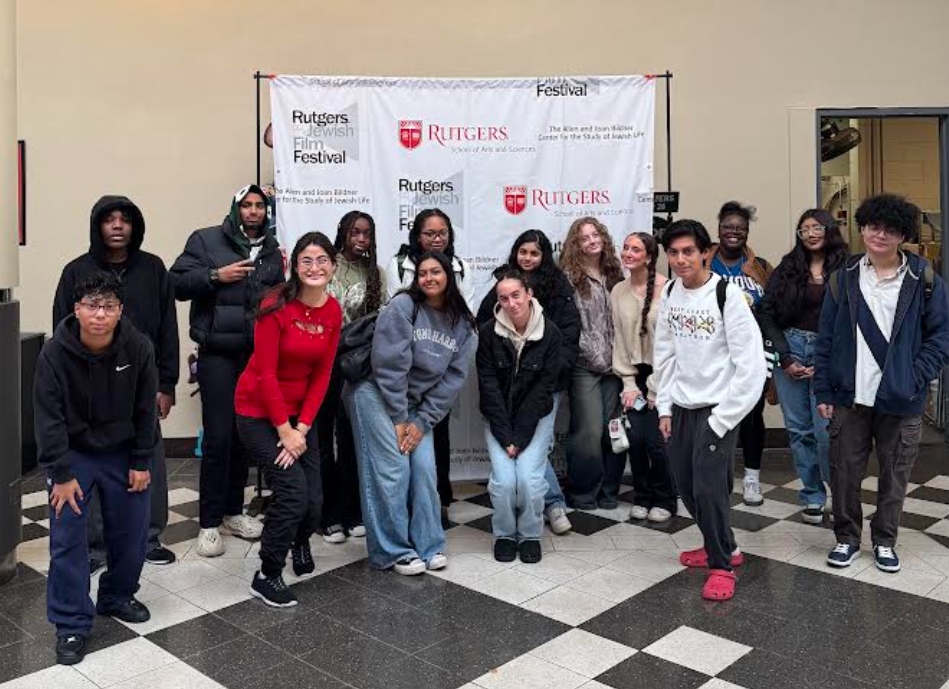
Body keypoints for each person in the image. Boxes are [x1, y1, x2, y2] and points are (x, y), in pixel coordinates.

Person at [815, 194, 949, 573]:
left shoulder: (924, 281)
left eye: (890, 230)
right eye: (874, 227)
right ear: (862, 228)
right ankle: (846, 537)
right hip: (849, 396)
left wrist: (914, 376)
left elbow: (941, 337)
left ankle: (885, 539)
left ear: (902, 235)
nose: (880, 235)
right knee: (844, 472)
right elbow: (825, 338)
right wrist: (824, 390)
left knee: (895, 474)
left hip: (901, 399)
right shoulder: (844, 279)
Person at [35, 273, 157, 665]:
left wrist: (141, 461)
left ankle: (117, 595)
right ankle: (71, 623)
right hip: (72, 455)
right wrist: (62, 474)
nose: (99, 315)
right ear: (76, 308)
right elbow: (48, 418)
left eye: (108, 307)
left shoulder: (138, 347)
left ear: (120, 311)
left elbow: (145, 411)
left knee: (132, 532)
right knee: (69, 537)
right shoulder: (54, 353)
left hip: (122, 451)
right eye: (91, 306)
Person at [52, 196, 178, 569]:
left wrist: (166, 384)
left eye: (125, 219)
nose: (118, 225)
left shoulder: (154, 268)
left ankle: (150, 537)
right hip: (87, 385)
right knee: (89, 463)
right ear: (98, 226)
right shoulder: (76, 271)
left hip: (142, 381)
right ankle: (95, 548)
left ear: (135, 225)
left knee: (147, 457)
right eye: (110, 220)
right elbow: (62, 328)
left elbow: (168, 328)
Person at [170, 184, 285, 556]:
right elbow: (176, 283)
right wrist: (216, 276)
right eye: (247, 206)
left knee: (243, 437)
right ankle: (208, 523)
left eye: (259, 206)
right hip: (218, 354)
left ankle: (233, 512)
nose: (253, 211)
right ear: (236, 209)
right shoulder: (205, 240)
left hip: (256, 358)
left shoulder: (272, 250)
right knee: (218, 437)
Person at [655, 220, 767, 601]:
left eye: (688, 251)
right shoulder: (670, 292)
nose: (681, 259)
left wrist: (723, 419)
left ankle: (721, 564)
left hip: (718, 409)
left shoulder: (726, 294)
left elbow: (751, 364)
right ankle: (722, 544)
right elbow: (665, 355)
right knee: (686, 486)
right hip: (682, 406)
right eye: (673, 253)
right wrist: (665, 407)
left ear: (706, 252)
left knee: (709, 489)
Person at [347, 251, 477, 575]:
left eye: (436, 271)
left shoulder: (464, 326)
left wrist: (420, 422)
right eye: (422, 273)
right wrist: (400, 419)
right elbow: (390, 367)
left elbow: (450, 383)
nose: (429, 278)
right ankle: (391, 551)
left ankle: (429, 545)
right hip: (376, 392)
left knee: (424, 470)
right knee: (393, 469)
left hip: (416, 405)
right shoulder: (404, 306)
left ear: (450, 276)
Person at [235, 232, 342, 607]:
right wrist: (284, 430)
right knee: (293, 493)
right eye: (306, 261)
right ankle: (266, 574)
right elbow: (265, 375)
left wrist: (302, 428)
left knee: (313, 500)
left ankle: (298, 541)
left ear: (333, 266)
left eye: (322, 260)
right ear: (295, 266)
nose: (314, 268)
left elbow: (323, 374)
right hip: (258, 412)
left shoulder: (332, 311)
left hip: (299, 417)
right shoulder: (275, 305)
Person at [476, 230, 579, 535]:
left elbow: (570, 334)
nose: (528, 258)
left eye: (535, 253)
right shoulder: (503, 284)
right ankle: (525, 513)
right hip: (508, 382)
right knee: (520, 454)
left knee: (537, 445)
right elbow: (483, 321)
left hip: (546, 382)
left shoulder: (558, 286)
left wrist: (548, 367)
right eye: (523, 252)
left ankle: (553, 504)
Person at [759, 210, 848, 524]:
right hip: (792, 349)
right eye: (804, 229)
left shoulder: (848, 266)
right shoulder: (788, 267)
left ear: (829, 230)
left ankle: (839, 494)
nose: (810, 233)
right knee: (799, 431)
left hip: (830, 352)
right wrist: (785, 358)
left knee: (828, 433)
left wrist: (828, 362)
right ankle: (812, 495)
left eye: (816, 227)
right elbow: (765, 313)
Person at [386, 209, 474, 517]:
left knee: (438, 429)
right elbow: (394, 310)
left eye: (443, 233)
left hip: (443, 359)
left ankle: (441, 497)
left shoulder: (461, 266)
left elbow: (466, 309)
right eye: (429, 233)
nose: (437, 239)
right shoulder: (400, 264)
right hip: (407, 362)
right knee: (401, 438)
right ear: (417, 236)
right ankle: (408, 503)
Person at [477, 270, 562, 563]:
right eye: (504, 298)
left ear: (529, 295)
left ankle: (529, 534)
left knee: (528, 479)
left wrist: (521, 436)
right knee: (503, 481)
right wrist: (505, 436)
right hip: (498, 416)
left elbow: (543, 390)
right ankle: (503, 533)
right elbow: (488, 387)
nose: (511, 303)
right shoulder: (488, 333)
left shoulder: (551, 333)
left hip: (535, 417)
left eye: (516, 295)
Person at [319, 210, 386, 543]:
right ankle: (328, 514)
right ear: (343, 232)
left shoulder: (377, 274)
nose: (361, 239)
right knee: (320, 440)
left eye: (367, 233)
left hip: (355, 364)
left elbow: (379, 324)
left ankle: (353, 510)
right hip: (319, 361)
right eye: (355, 232)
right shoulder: (326, 265)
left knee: (349, 439)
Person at [708, 201, 774, 506]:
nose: (734, 232)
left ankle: (751, 478)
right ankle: (714, 475)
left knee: (750, 416)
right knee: (712, 415)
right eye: (728, 226)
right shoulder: (704, 260)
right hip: (712, 354)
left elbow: (773, 310)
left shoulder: (760, 266)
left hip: (752, 354)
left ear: (747, 232)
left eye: (740, 228)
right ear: (719, 229)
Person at [559, 216, 625, 510]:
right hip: (584, 364)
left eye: (595, 234)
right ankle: (583, 493)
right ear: (576, 244)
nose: (591, 240)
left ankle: (609, 491)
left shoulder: (615, 274)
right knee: (588, 432)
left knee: (614, 430)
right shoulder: (569, 276)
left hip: (617, 365)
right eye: (584, 237)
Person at [611, 232, 677, 523]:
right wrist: (628, 384)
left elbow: (673, 343)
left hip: (663, 376)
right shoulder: (617, 291)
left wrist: (655, 390)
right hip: (633, 375)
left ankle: (666, 498)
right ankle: (642, 495)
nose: (628, 253)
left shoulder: (671, 289)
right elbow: (618, 341)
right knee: (635, 440)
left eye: (635, 249)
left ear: (649, 257)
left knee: (657, 442)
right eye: (625, 248)